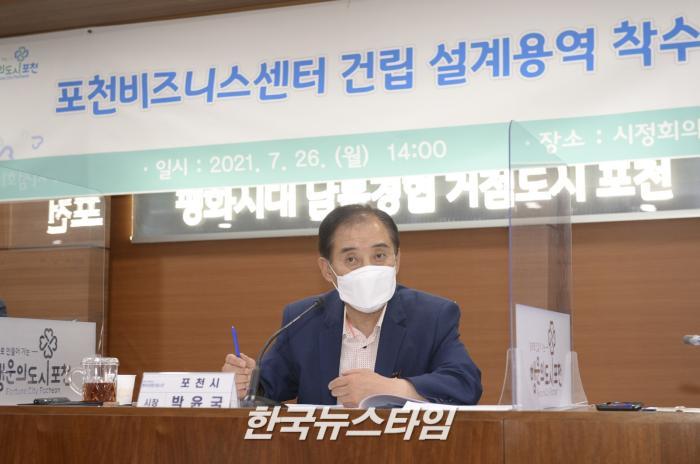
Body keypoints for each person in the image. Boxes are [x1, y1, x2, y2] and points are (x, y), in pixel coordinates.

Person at [223, 204, 482, 406]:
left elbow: (465, 384)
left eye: (379, 255)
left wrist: (391, 389)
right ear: (327, 270)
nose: (368, 269)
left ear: (397, 260)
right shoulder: (303, 318)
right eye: (351, 259)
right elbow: (267, 388)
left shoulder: (432, 316)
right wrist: (246, 382)